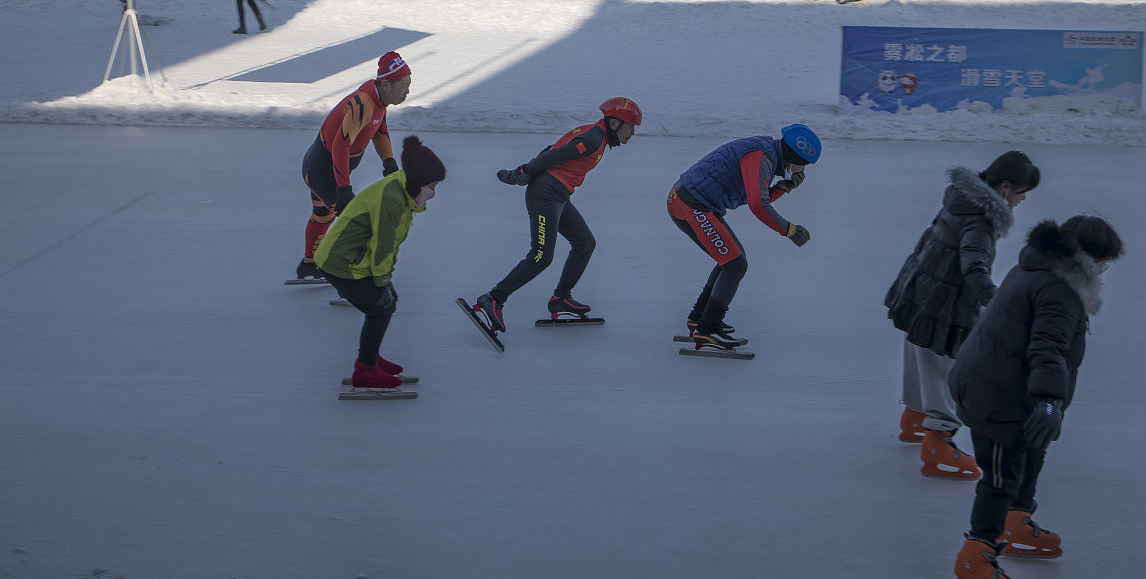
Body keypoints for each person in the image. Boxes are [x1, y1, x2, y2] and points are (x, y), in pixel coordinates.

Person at [948, 216, 1124, 579]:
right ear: (1085, 258)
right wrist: (1048, 400)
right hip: (993, 393)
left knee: (1030, 454)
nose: (1105, 269)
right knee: (1001, 475)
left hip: (1007, 384)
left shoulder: (1039, 266)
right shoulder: (1059, 289)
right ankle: (975, 556)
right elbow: (1048, 347)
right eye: (1102, 261)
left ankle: (1016, 521)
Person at [885, 152, 1041, 481]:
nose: (1022, 200)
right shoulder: (981, 220)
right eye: (1021, 193)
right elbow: (974, 267)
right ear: (1004, 187)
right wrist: (998, 305)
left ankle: (914, 419)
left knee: (919, 355)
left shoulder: (961, 196)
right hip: (943, 301)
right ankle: (938, 443)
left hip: (919, 288)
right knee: (943, 367)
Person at [470, 98, 643, 333]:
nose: (632, 134)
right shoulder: (593, 139)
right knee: (541, 255)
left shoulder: (595, 134)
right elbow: (554, 155)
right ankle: (493, 299)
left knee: (585, 243)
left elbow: (551, 149)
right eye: (630, 127)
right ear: (614, 123)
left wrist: (528, 170)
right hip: (546, 196)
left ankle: (561, 298)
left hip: (559, 196)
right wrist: (522, 172)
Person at [668, 125, 820, 350]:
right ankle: (707, 329)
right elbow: (758, 205)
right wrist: (789, 229)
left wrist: (784, 187)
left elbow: (756, 197)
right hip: (692, 205)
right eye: (802, 166)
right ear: (793, 157)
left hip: (692, 202)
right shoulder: (761, 157)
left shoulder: (767, 155)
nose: (801, 172)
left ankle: (699, 318)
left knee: (731, 259)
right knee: (735, 264)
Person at [316, 135, 446, 391]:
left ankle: (370, 356)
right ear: (418, 182)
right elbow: (382, 246)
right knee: (379, 307)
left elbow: (390, 244)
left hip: (354, 259)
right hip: (340, 262)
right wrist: (382, 282)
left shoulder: (401, 193)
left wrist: (385, 281)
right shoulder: (393, 199)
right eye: (431, 186)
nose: (433, 192)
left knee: (386, 301)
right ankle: (365, 370)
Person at [297, 51, 413, 280]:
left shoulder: (379, 102)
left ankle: (309, 265)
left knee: (323, 215)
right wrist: (343, 190)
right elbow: (341, 146)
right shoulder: (362, 104)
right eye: (404, 85)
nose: (408, 91)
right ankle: (351, 277)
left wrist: (389, 162)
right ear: (387, 84)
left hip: (325, 169)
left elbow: (380, 132)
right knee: (359, 222)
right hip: (322, 171)